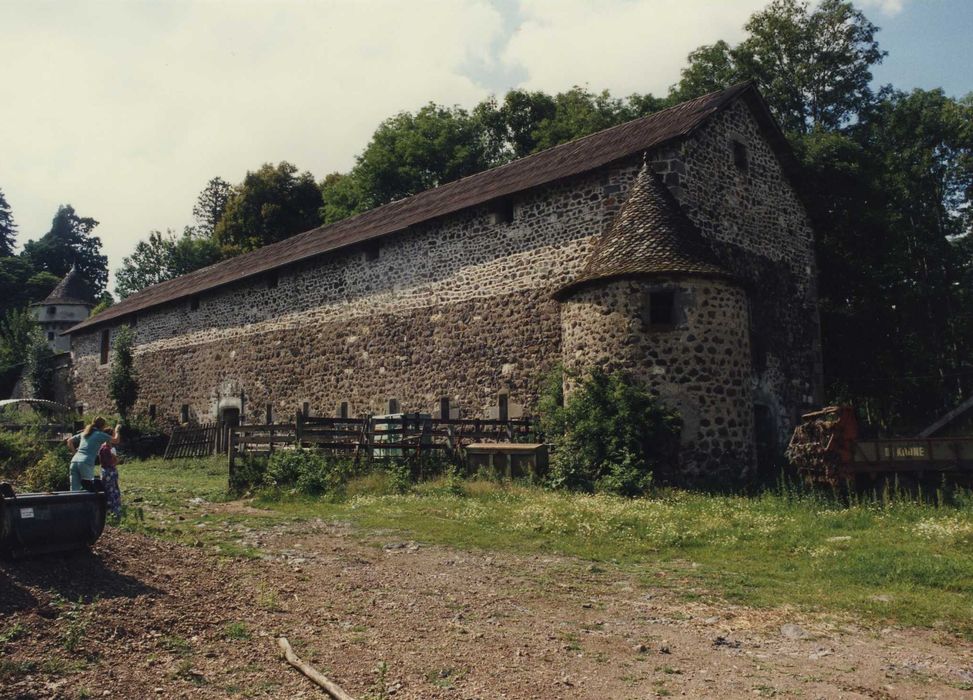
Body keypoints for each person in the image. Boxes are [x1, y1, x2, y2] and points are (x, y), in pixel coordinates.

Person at [66, 417, 121, 492]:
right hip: (86, 462)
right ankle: (93, 503)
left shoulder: (85, 433)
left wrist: (74, 453)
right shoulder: (99, 434)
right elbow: (116, 440)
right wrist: (117, 430)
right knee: (89, 487)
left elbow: (69, 441)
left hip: (74, 461)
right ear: (102, 426)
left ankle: (74, 503)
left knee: (74, 490)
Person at [98, 441, 122, 519]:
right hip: (110, 471)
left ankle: (108, 512)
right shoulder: (108, 449)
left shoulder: (101, 448)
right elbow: (114, 461)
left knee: (107, 491)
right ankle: (114, 512)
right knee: (113, 492)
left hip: (104, 471)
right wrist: (115, 459)